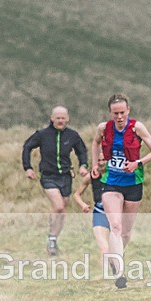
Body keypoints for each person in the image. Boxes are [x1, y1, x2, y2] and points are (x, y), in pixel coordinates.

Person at [90, 93, 151, 288]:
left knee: (126, 233)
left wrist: (137, 163)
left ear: (128, 110)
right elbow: (95, 143)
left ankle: (116, 256)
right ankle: (119, 273)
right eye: (115, 113)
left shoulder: (137, 128)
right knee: (115, 226)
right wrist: (94, 164)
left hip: (133, 183)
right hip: (111, 182)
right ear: (110, 113)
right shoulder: (104, 128)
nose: (119, 117)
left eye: (122, 112)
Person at [22, 106, 90, 256]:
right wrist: (28, 168)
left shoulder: (72, 135)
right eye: (57, 118)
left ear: (67, 119)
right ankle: (51, 238)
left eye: (63, 118)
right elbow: (27, 147)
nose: (60, 120)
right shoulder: (42, 134)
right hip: (48, 176)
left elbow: (81, 151)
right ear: (52, 118)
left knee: (62, 210)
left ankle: (53, 239)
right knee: (58, 206)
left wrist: (83, 165)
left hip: (66, 176)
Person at [73, 172, 112, 273]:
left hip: (114, 214)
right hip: (99, 213)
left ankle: (113, 269)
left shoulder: (115, 174)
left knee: (113, 248)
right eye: (98, 162)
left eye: (103, 162)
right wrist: (83, 205)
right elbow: (76, 194)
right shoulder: (91, 176)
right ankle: (105, 274)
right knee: (104, 247)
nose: (101, 164)